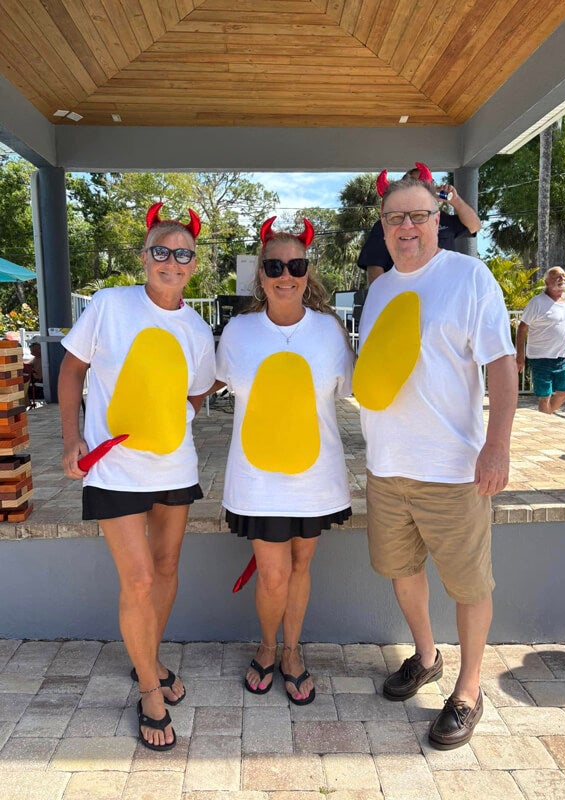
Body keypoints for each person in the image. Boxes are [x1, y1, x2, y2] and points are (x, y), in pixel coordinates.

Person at [354, 177, 517, 750]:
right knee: (402, 572)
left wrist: (497, 446)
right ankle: (426, 657)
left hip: (452, 469)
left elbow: (502, 363)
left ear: (437, 220)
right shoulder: (380, 289)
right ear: (383, 225)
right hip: (387, 466)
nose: (406, 227)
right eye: (395, 218)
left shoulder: (469, 277)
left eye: (418, 216)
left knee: (468, 584)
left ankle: (469, 690)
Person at [58, 203, 216, 752]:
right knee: (141, 579)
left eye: (183, 254)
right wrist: (71, 437)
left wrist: (175, 418)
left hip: (174, 465)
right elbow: (72, 368)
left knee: (167, 569)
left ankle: (147, 658)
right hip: (113, 468)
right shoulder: (110, 304)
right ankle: (149, 688)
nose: (172, 262)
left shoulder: (197, 328)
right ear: (145, 257)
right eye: (161, 252)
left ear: (194, 264)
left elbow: (198, 391)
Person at [214, 216, 354, 705]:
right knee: (273, 574)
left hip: (316, 475)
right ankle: (268, 647)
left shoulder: (329, 331)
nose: (285, 275)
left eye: (296, 265)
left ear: (307, 271)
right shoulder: (238, 331)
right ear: (261, 273)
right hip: (257, 477)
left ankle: (292, 652)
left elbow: (352, 390)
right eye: (274, 266)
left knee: (300, 565)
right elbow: (207, 383)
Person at [358, 164, 482, 285]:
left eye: (427, 183)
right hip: (406, 292)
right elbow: (374, 264)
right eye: (415, 182)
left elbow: (474, 226)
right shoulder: (388, 223)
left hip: (447, 288)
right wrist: (381, 294)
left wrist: (455, 200)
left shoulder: (442, 218)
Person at [516, 266, 565, 414]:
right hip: (540, 358)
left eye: (563, 275)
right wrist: (520, 356)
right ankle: (546, 418)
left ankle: (547, 415)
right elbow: (522, 328)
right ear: (547, 282)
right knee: (544, 396)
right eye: (557, 277)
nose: (562, 279)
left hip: (562, 357)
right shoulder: (537, 302)